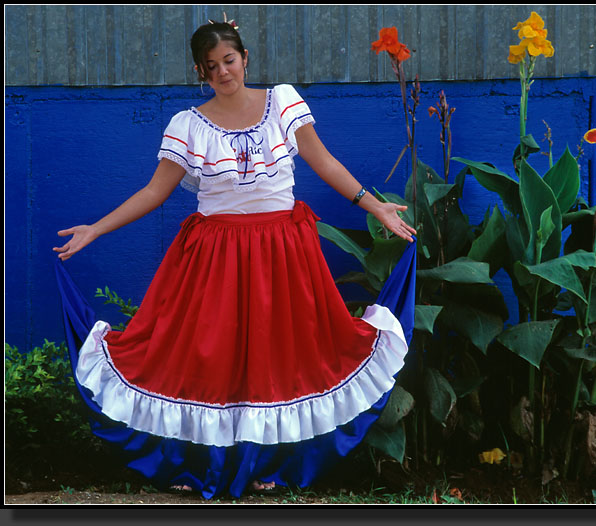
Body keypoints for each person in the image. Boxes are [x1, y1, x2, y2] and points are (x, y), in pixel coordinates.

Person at [52, 17, 417, 499]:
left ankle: (270, 467)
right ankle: (199, 465)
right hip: (215, 259)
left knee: (283, 358)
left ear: (244, 59)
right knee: (209, 361)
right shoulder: (188, 125)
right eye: (211, 67)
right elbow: (154, 192)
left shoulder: (282, 103)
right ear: (201, 74)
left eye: (229, 60)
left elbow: (324, 161)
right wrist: (95, 228)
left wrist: (376, 206)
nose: (223, 72)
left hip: (284, 255)